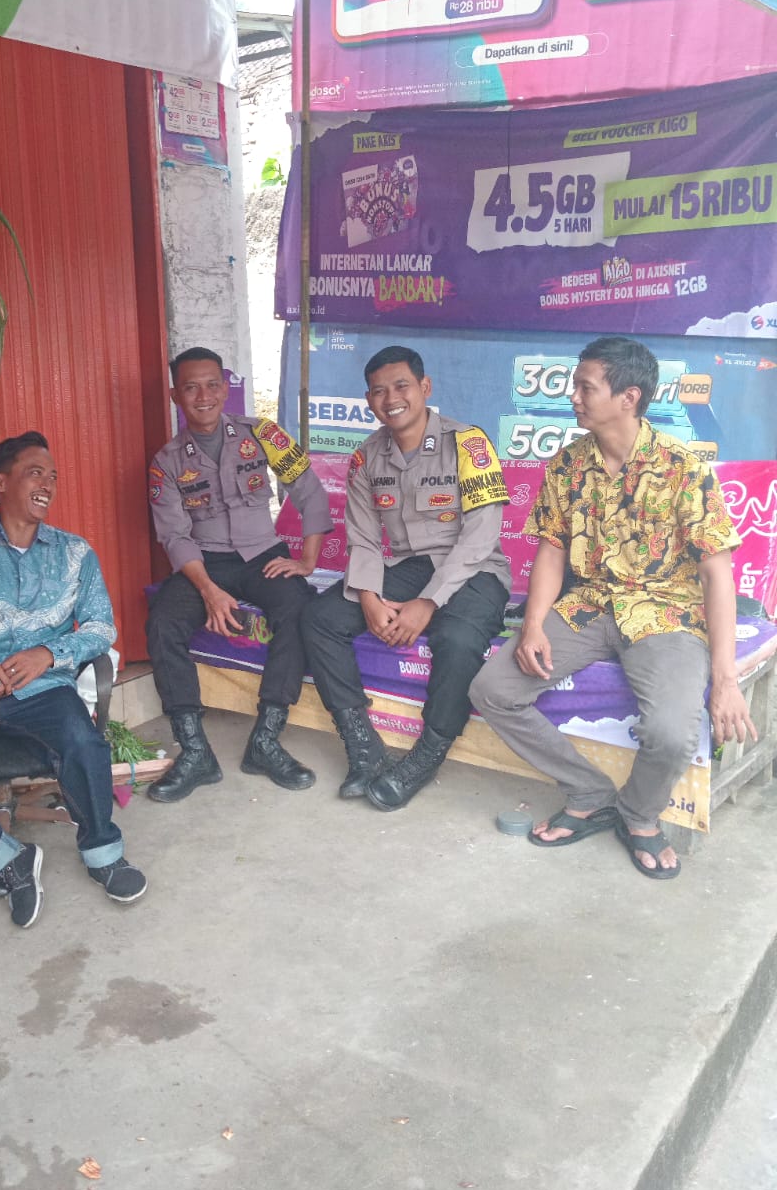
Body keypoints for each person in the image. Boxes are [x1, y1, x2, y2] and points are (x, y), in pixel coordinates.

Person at [470, 336, 756, 880]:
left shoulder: (682, 468)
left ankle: (639, 815)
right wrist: (533, 625)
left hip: (665, 612)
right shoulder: (568, 464)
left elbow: (717, 574)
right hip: (588, 605)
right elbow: (552, 548)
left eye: (585, 387)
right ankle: (589, 793)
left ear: (629, 397)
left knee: (670, 733)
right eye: (574, 386)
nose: (573, 396)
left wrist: (725, 680)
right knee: (492, 690)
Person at [0, 431, 146, 926]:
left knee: (83, 743)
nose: (48, 485)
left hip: (43, 692)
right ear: (0, 482)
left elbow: (101, 627)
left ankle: (103, 854)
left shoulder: (75, 553)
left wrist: (48, 654)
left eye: (52, 476)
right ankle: (4, 859)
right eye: (35, 473)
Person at [302, 345, 511, 808]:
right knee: (320, 618)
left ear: (425, 387)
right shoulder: (366, 457)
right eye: (378, 391)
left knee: (457, 638)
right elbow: (362, 537)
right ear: (368, 400)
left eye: (401, 386)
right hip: (410, 567)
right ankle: (363, 745)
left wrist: (429, 602)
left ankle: (427, 754)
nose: (391, 398)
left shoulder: (469, 443)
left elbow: (481, 536)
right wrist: (369, 597)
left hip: (475, 569)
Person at [145, 346, 332, 802]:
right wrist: (209, 591)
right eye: (191, 387)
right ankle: (195, 752)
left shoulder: (263, 434)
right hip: (204, 561)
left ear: (226, 387)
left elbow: (310, 493)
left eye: (213, 385)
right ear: (175, 395)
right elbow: (175, 537)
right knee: (163, 621)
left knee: (298, 609)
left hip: (262, 554)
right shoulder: (166, 462)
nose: (204, 396)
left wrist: (307, 561)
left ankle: (266, 740)